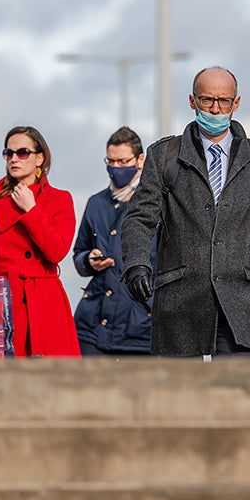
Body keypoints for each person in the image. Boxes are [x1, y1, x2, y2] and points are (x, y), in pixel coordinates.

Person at [120, 67, 250, 359]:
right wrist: (137, 265)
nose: (215, 109)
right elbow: (139, 219)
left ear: (236, 103)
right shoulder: (164, 155)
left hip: (238, 302)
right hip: (179, 300)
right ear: (192, 101)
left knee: (231, 396)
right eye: (207, 100)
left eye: (223, 101)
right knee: (181, 399)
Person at [0, 126, 80, 357]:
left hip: (43, 299)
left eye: (22, 152)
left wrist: (31, 210)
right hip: (0, 299)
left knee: (53, 378)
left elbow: (57, 251)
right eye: (9, 153)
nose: (14, 159)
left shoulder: (60, 199)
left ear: (39, 158)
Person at [71, 126, 153, 356]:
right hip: (93, 325)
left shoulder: (155, 203)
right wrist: (88, 260)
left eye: (123, 161)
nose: (115, 168)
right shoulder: (96, 203)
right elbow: (79, 253)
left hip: (140, 327)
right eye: (111, 161)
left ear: (140, 160)